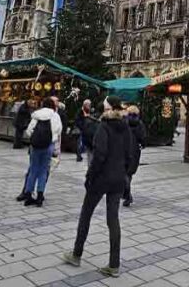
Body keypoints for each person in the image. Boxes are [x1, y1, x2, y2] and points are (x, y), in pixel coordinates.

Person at [62, 96, 133, 278]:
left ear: (106, 107)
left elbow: (99, 155)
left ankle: (76, 255)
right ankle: (114, 265)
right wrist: (124, 174)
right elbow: (130, 155)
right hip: (118, 179)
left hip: (101, 178)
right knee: (113, 220)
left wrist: (90, 176)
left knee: (86, 214)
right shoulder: (126, 127)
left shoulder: (104, 125)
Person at [18, 97, 63, 206]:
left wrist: (34, 138)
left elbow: (29, 130)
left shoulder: (36, 114)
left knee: (33, 170)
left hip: (36, 146)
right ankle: (40, 196)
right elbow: (59, 130)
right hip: (48, 146)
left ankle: (28, 195)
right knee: (43, 171)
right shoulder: (55, 116)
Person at [123, 105, 147, 207]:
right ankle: (127, 194)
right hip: (135, 151)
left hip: (124, 149)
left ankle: (127, 194)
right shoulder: (140, 123)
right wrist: (142, 145)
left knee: (123, 172)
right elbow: (143, 137)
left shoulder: (124, 122)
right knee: (129, 173)